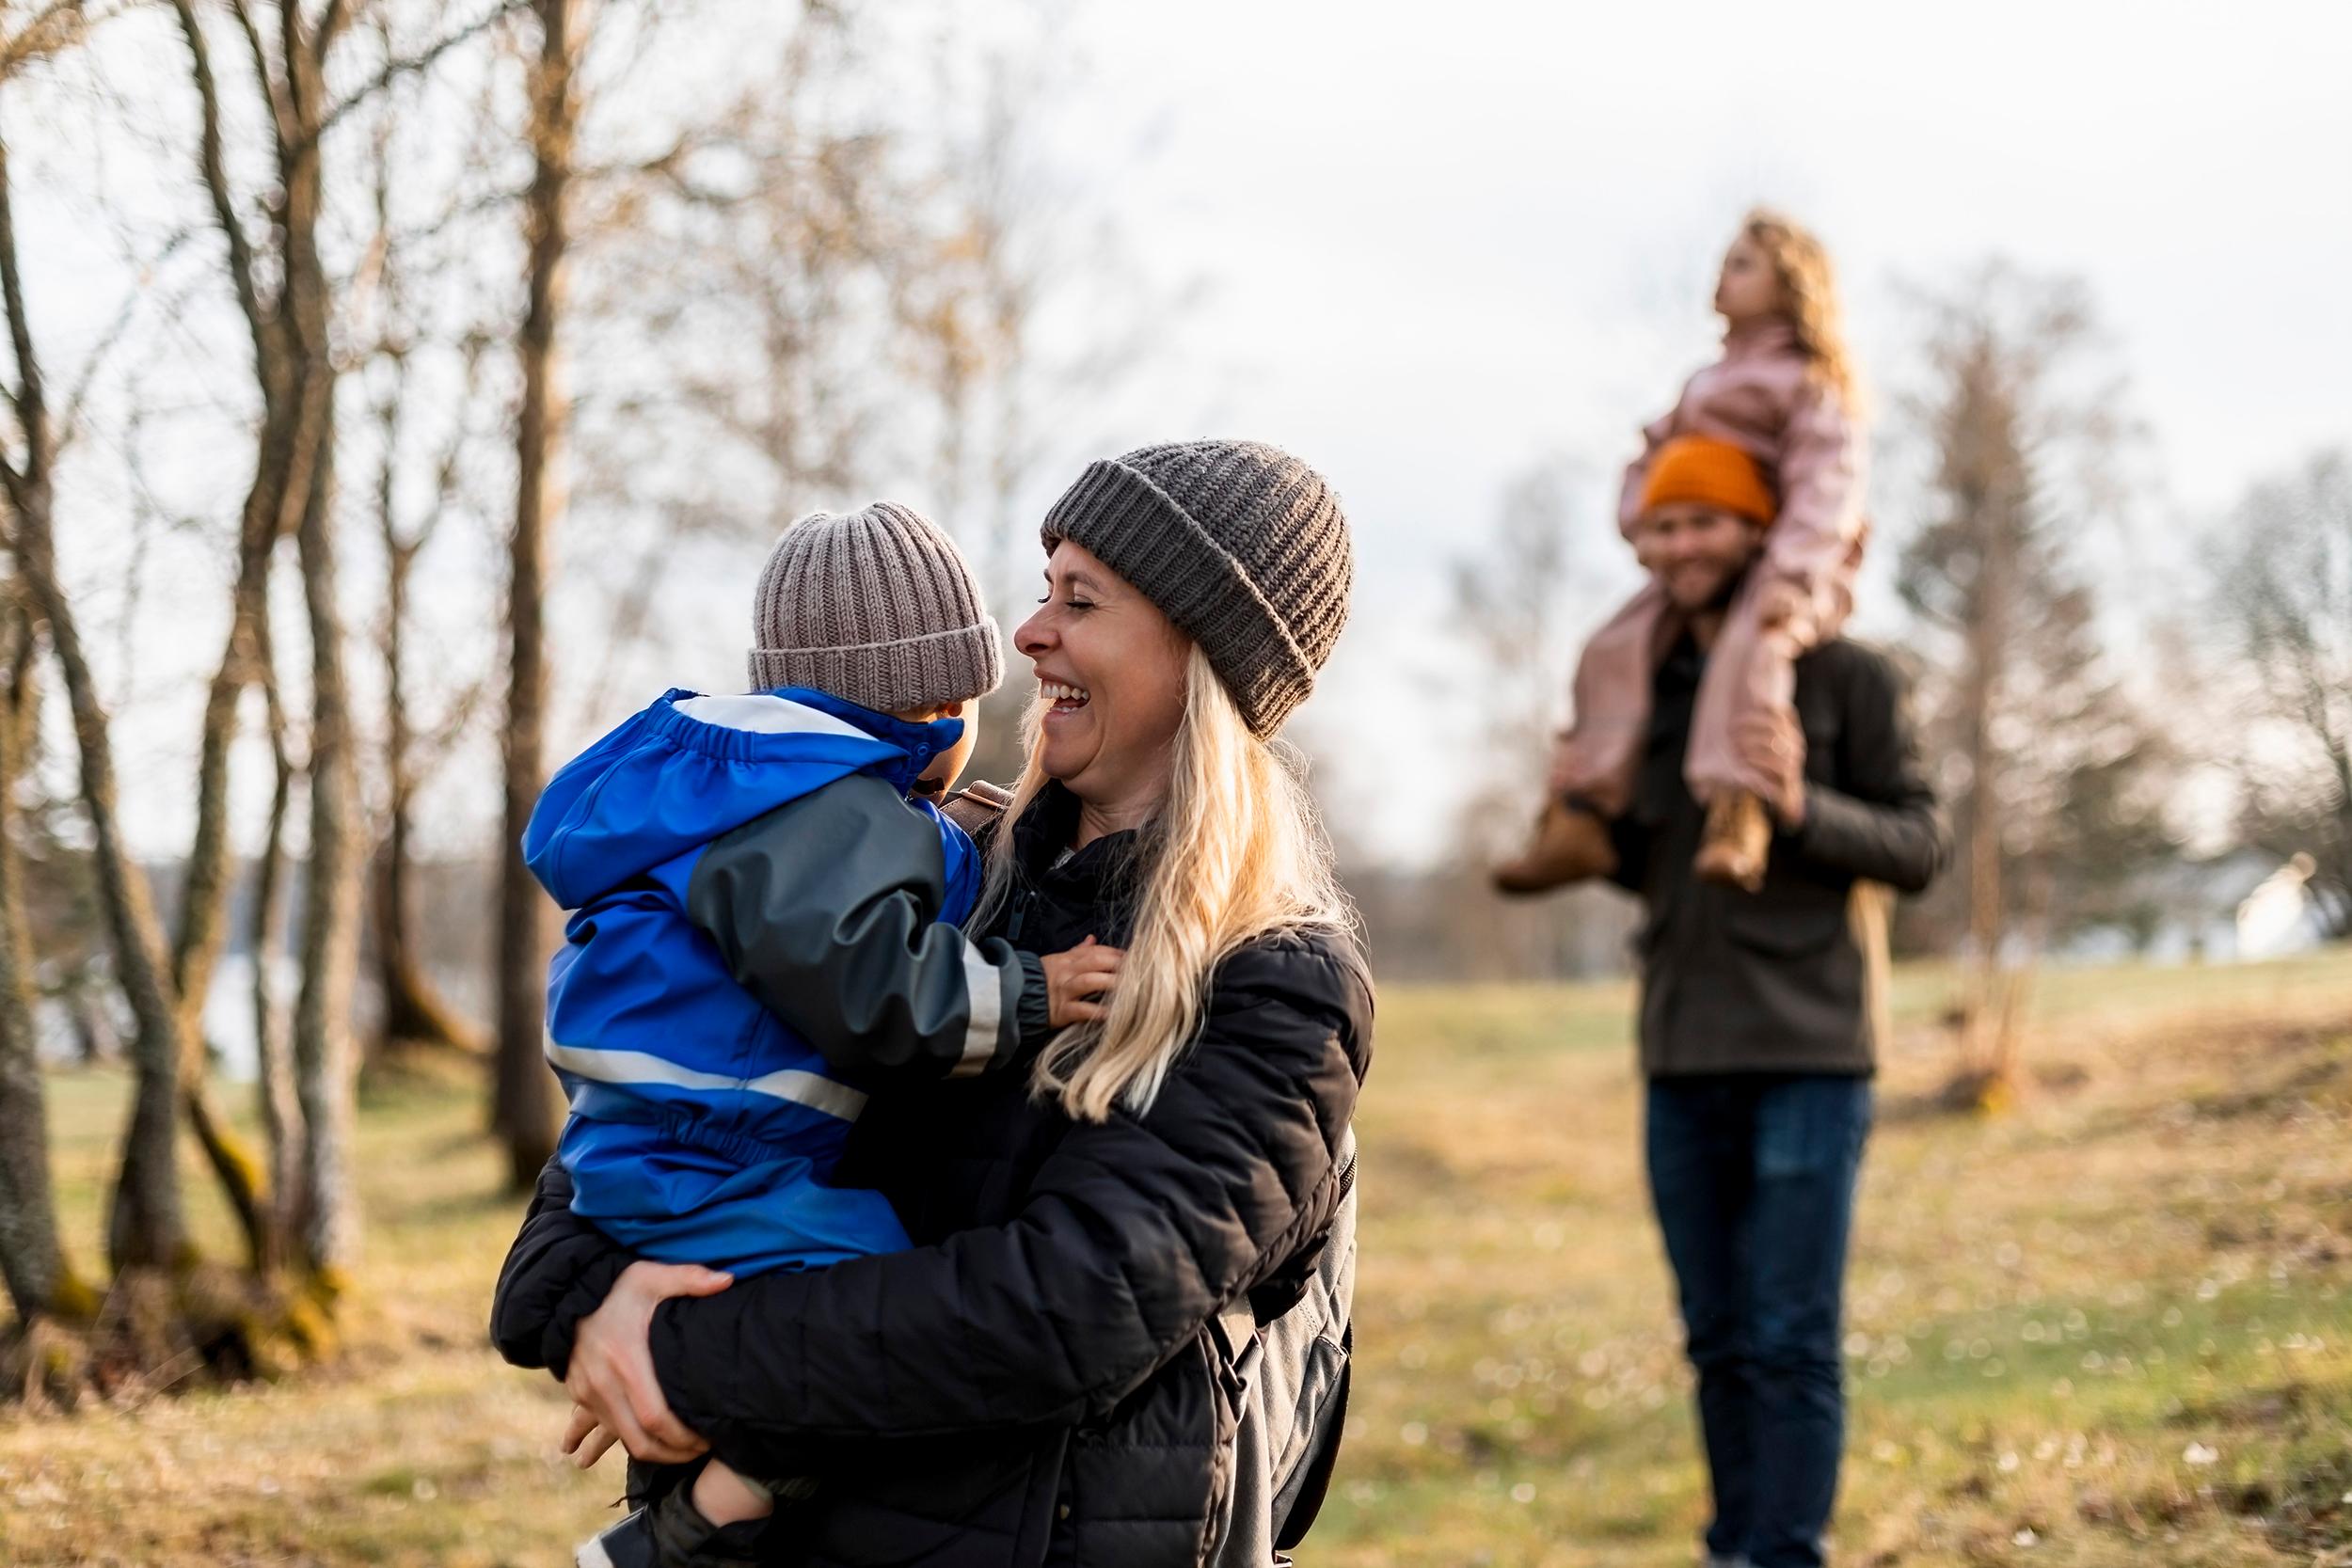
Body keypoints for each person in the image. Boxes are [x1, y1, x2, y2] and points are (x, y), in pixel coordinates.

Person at [491, 439, 1372, 1568]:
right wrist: (575, 1300)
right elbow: (636, 1116)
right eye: (1043, 586)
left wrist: (671, 1344)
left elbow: (1057, 1314)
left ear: (1200, 655)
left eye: (1080, 599)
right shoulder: (932, 874)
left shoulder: (1271, 978)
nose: (1027, 632)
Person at [519, 501, 1123, 1566]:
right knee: (859, 1328)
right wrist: (1031, 991)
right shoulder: (827, 817)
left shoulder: (744, 792)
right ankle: (679, 1532)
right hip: (721, 1166)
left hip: (655, 1150)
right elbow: (871, 988)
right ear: (936, 708)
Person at [1545, 436, 1947, 1568]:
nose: (1678, 547)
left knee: (1789, 1335)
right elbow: (1653, 869)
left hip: (1809, 1053)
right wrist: (1592, 816)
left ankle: (1784, 1551)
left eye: (1703, 523)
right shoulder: (1647, 681)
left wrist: (1795, 800)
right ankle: (1734, 1546)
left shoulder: (1847, 676)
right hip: (1678, 1049)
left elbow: (1921, 843)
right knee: (1716, 1337)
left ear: (1762, 530)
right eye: (1661, 527)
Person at [1497, 209, 1868, 895]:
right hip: (1716, 552)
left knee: (1750, 651)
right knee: (1611, 646)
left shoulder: (1811, 384)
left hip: (1788, 561)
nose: (1721, 276)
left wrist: (1790, 570)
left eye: (1741, 263)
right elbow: (1652, 449)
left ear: (1792, 282)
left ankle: (1740, 805)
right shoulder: (1705, 381)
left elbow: (1826, 489)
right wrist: (1646, 520)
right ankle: (1581, 809)